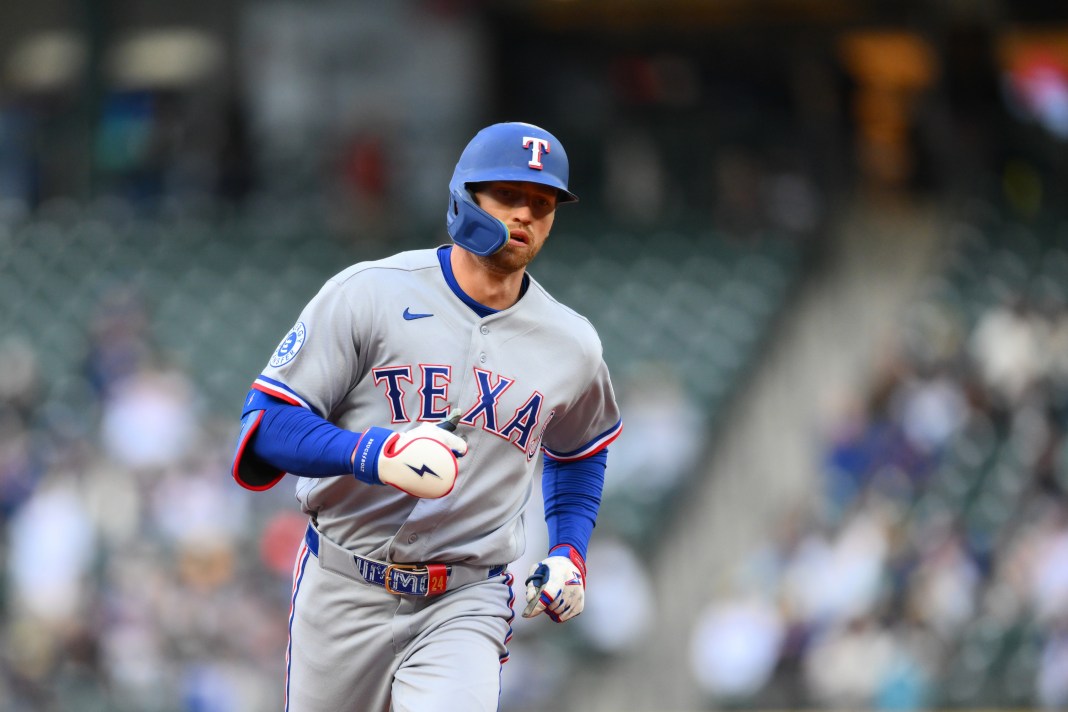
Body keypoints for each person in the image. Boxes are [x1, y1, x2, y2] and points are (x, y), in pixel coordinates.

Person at [230, 121, 623, 712]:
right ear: (465, 197)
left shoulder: (572, 344)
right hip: (343, 582)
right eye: (508, 196)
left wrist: (569, 550)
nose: (525, 215)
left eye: (542, 204)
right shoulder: (370, 293)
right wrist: (373, 454)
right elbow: (266, 422)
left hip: (465, 598)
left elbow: (580, 453)